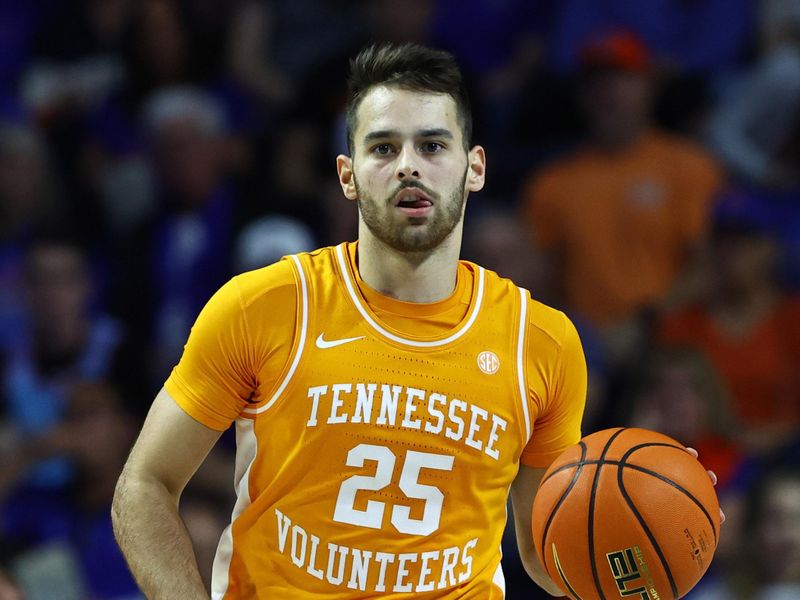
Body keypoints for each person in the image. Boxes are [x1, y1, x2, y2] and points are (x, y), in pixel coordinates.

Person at [110, 42, 591, 598]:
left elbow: (541, 550)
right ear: (348, 175)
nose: (409, 164)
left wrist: (654, 544)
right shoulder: (264, 305)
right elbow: (145, 484)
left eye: (433, 145)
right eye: (383, 147)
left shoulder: (542, 341)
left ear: (474, 167)